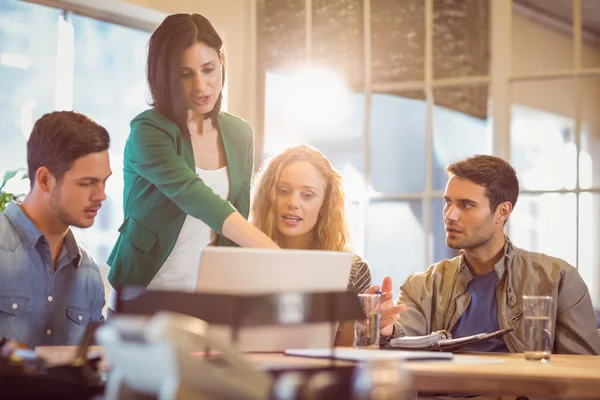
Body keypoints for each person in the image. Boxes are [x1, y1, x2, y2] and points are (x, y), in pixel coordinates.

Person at [107, 14, 278, 310]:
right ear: (166, 76)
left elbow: (238, 214)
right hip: (144, 295)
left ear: (221, 62)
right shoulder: (148, 131)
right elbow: (193, 194)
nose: (201, 86)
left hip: (208, 300)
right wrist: (272, 253)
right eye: (185, 74)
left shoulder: (240, 134)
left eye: (208, 69)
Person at [391, 154, 600, 355]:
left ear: (502, 212)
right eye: (448, 202)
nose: (450, 215)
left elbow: (581, 376)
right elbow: (402, 336)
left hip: (519, 392)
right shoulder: (423, 285)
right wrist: (385, 329)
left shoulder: (558, 279)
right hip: (441, 392)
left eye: (466, 204)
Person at [250, 145, 405, 344]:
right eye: (283, 191)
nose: (292, 202)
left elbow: (345, 352)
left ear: (324, 205)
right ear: (269, 196)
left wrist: (366, 325)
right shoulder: (242, 256)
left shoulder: (352, 269)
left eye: (307, 195)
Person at [0, 111, 109, 350]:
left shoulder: (89, 273)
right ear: (45, 180)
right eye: (86, 183)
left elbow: (92, 364)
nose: (101, 195)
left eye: (104, 182)